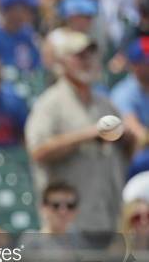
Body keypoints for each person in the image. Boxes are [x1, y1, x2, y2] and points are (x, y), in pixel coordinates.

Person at [25, 30, 134, 232]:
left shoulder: (105, 104)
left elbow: (128, 151)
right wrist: (88, 135)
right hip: (68, 222)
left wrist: (128, 138)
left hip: (108, 216)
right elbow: (38, 151)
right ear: (61, 62)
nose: (87, 61)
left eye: (91, 54)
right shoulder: (50, 104)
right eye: (79, 56)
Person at [111, 37, 149, 146]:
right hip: (136, 156)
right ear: (135, 65)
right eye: (147, 63)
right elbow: (137, 133)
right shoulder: (123, 93)